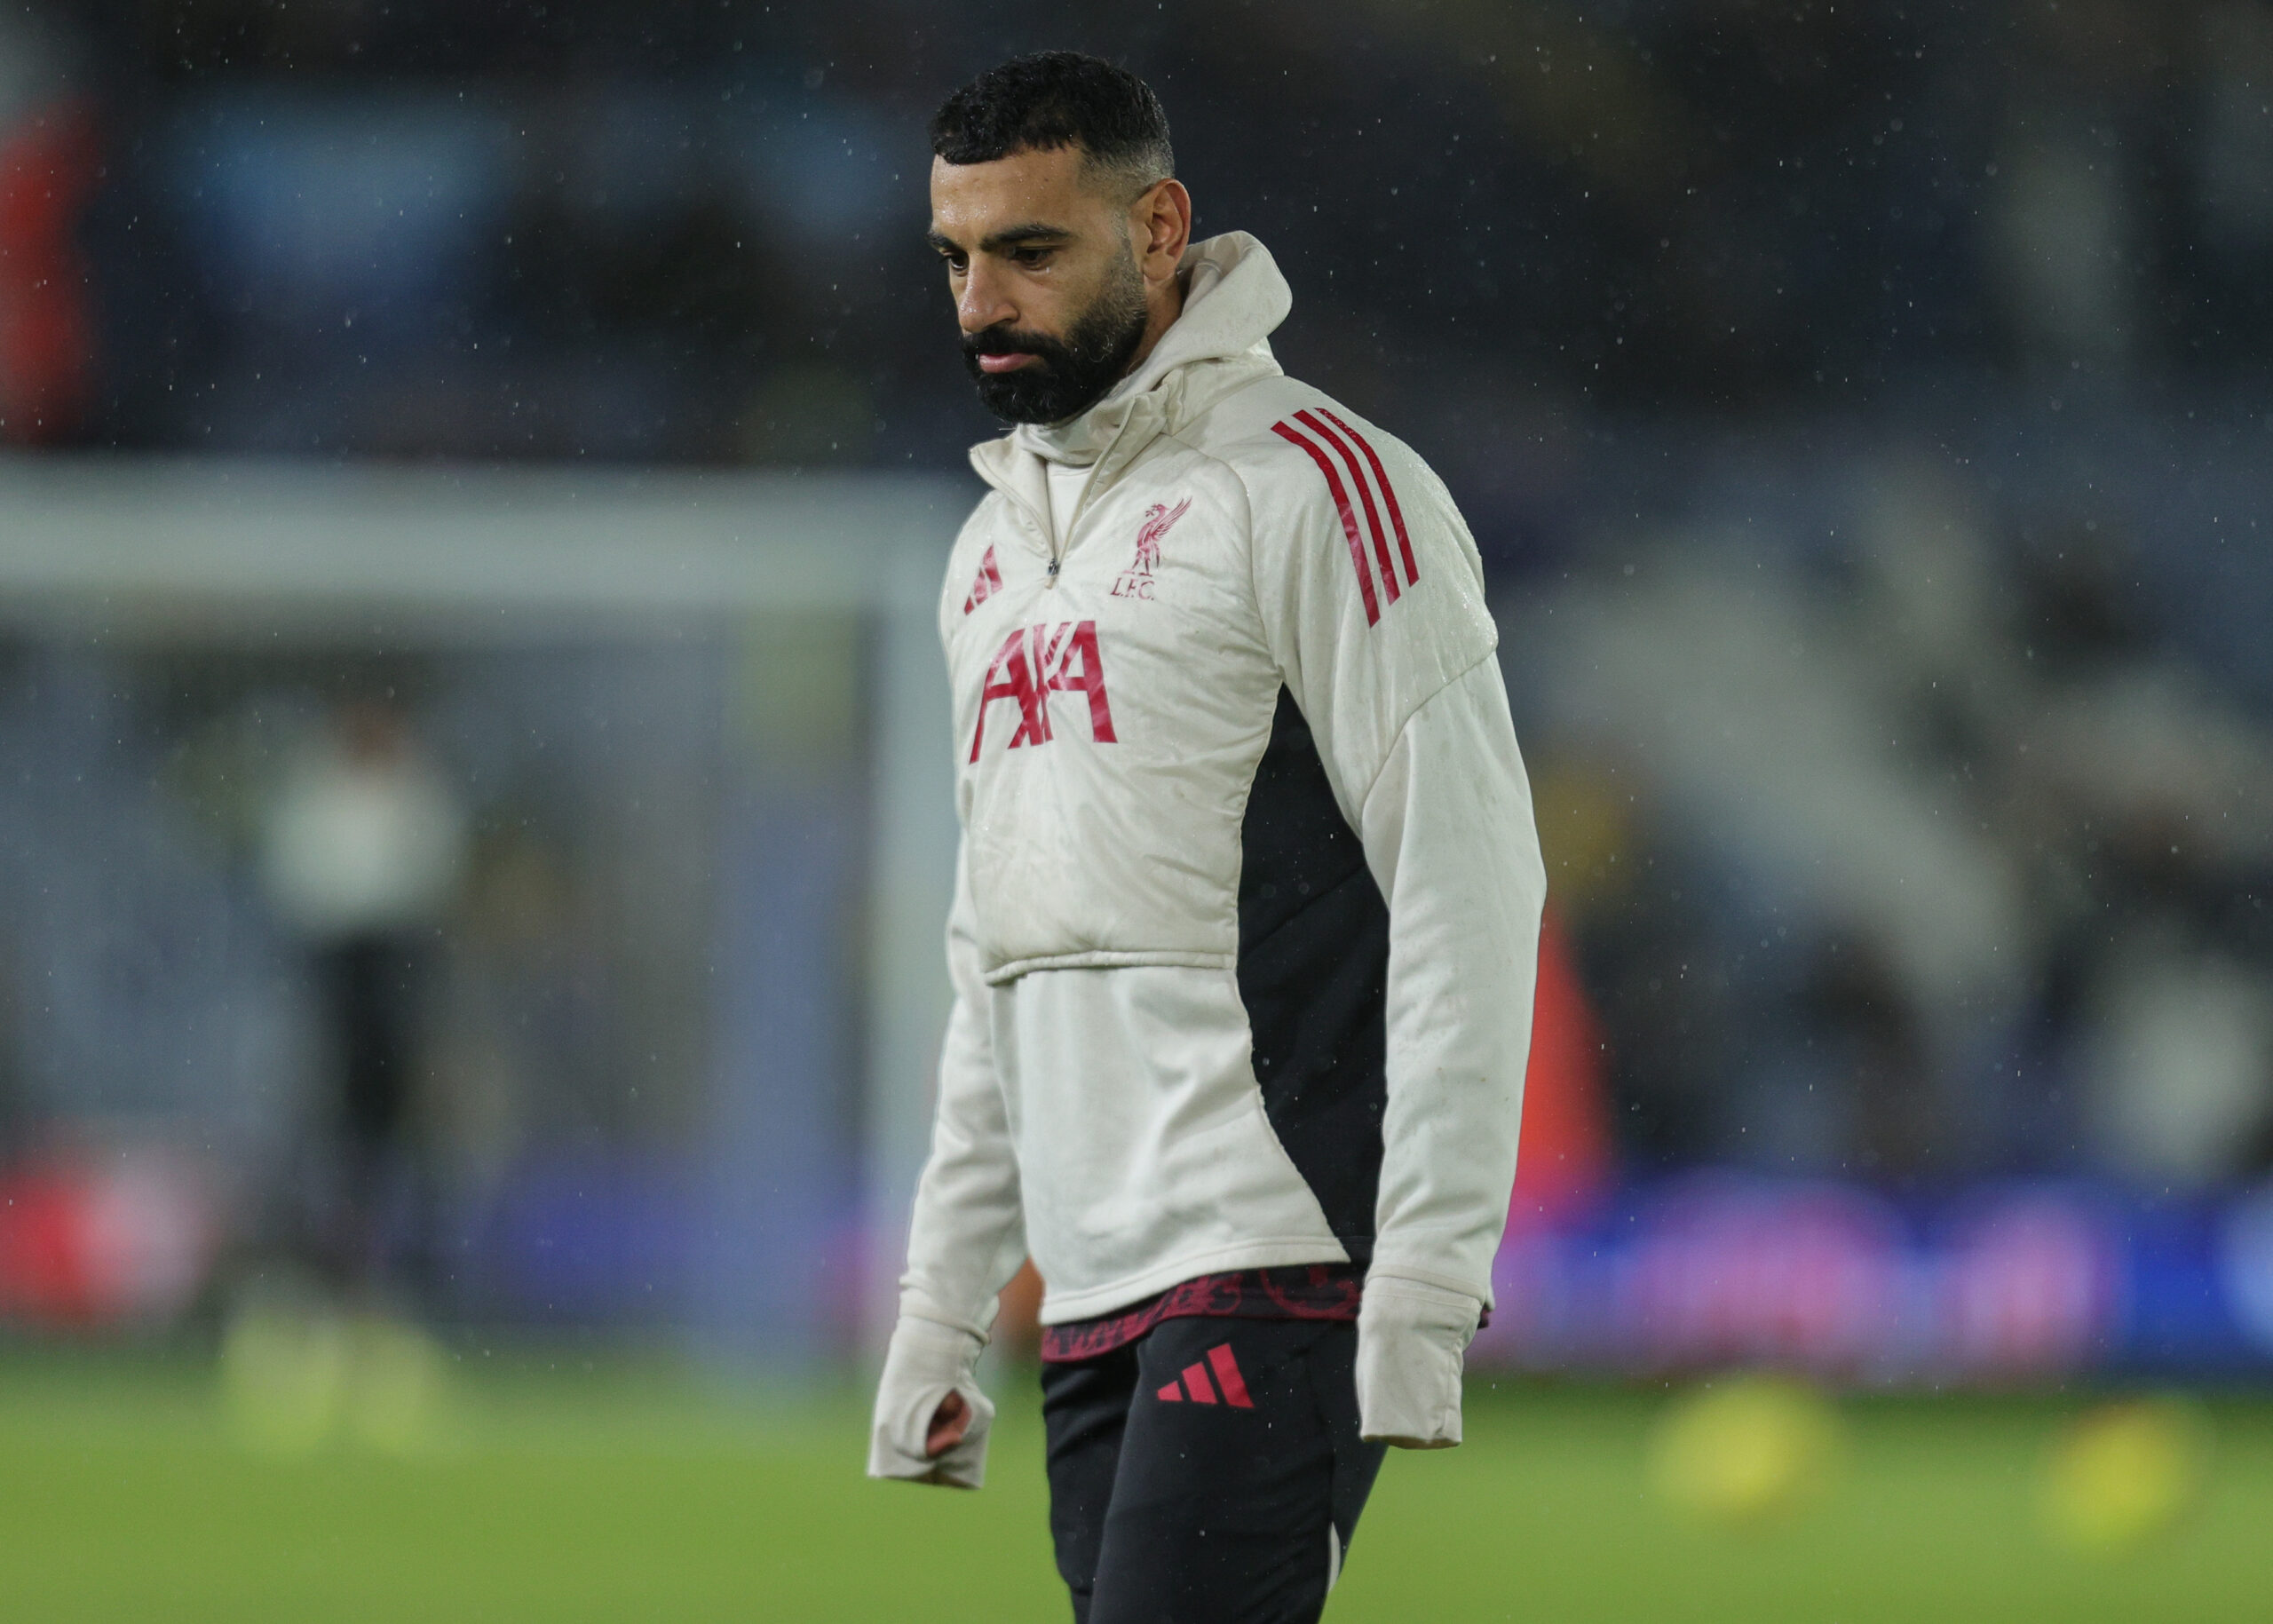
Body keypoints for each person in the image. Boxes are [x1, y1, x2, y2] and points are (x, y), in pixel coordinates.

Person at [867, 52, 1546, 1622]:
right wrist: (943, 1308)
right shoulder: (986, 560)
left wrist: (1430, 1272)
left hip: (1282, 1237)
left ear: (1160, 227)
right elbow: (1001, 952)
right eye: (955, 257)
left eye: (1030, 251)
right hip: (1092, 1289)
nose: (980, 301)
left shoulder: (1321, 488)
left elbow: (1469, 881)